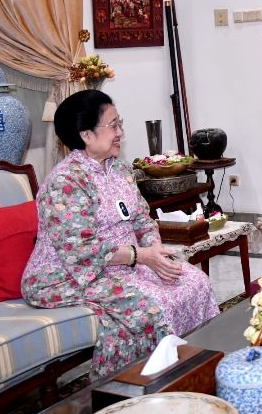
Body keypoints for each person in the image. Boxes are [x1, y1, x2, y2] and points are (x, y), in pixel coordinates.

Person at [21, 90, 219, 381]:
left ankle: (196, 374)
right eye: (113, 125)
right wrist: (142, 257)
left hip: (123, 264)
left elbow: (142, 218)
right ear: (86, 134)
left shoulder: (120, 169)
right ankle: (137, 388)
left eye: (119, 123)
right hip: (65, 275)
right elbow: (82, 251)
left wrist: (155, 251)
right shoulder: (66, 181)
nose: (120, 132)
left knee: (196, 283)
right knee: (152, 307)